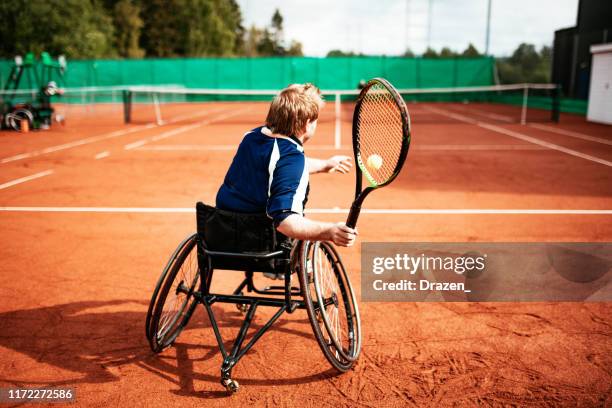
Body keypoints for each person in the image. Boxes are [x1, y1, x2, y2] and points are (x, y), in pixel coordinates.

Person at [216, 83, 357, 250]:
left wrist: (325, 164)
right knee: (297, 219)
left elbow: (278, 167)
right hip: (263, 243)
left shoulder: (251, 137)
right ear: (307, 123)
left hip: (222, 232)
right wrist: (329, 231)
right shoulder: (292, 158)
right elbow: (286, 222)